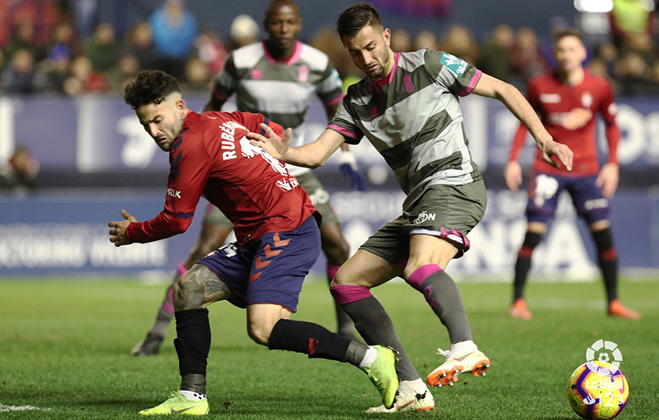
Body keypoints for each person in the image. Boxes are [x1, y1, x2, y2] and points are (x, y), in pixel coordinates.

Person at [248, 2, 574, 413]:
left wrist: (543, 139)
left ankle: (465, 347)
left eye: (371, 47)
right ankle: (410, 386)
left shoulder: (432, 65)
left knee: (419, 265)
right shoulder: (358, 100)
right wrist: (284, 151)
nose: (366, 59)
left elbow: (505, 89)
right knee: (347, 281)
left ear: (386, 37)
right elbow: (316, 154)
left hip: (455, 185)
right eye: (355, 53)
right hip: (418, 203)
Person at [109, 69, 398, 415]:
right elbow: (262, 123)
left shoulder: (191, 144)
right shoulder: (221, 120)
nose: (154, 132)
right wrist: (275, 147)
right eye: (145, 125)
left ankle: (371, 357)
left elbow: (177, 220)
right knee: (189, 290)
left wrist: (133, 233)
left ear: (180, 106)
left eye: (157, 120)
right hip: (260, 234)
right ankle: (191, 397)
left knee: (263, 329)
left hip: (286, 230)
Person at [130, 0, 364, 357]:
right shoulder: (240, 61)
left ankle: (348, 332)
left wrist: (344, 153)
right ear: (266, 25)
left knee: (336, 243)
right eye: (276, 23)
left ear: (298, 24)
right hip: (231, 162)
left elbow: (337, 106)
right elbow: (215, 102)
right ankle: (157, 331)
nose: (283, 29)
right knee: (203, 248)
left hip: (288, 162)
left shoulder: (317, 63)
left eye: (290, 22)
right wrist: (206, 145)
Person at [504, 28, 641, 321]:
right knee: (534, 232)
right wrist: (513, 160)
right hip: (548, 170)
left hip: (586, 171)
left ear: (582, 53)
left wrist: (613, 163)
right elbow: (523, 122)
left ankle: (614, 302)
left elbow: (612, 125)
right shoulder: (539, 85)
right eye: (561, 50)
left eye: (571, 49)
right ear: (555, 54)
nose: (566, 55)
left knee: (603, 235)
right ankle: (517, 301)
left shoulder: (600, 86)